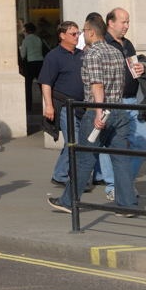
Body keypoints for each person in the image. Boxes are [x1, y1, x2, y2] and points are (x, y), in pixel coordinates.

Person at [48, 15, 138, 216]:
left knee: (84, 159)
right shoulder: (116, 52)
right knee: (121, 159)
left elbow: (97, 85)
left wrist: (98, 112)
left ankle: (68, 201)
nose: (82, 35)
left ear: (90, 32)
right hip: (119, 110)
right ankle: (127, 205)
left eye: (83, 31)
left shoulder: (92, 54)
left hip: (97, 112)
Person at [97, 7, 146, 202]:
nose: (127, 25)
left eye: (128, 21)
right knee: (109, 145)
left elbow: (134, 69)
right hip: (113, 101)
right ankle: (113, 186)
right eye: (123, 22)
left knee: (142, 143)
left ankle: (124, 183)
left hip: (133, 100)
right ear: (111, 23)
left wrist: (142, 68)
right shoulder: (103, 44)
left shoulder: (128, 44)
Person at [39, 21, 84, 187]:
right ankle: (60, 174)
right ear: (62, 35)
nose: (77, 37)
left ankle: (75, 175)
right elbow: (46, 83)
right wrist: (48, 106)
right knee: (73, 140)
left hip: (82, 105)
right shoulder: (53, 56)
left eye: (78, 33)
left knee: (82, 141)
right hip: (65, 106)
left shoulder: (82, 54)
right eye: (73, 34)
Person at [19, 22, 45, 114]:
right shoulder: (38, 39)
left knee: (28, 86)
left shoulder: (26, 40)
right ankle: (45, 105)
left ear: (26, 30)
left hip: (30, 64)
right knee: (42, 85)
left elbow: (23, 55)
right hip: (40, 63)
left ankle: (29, 107)